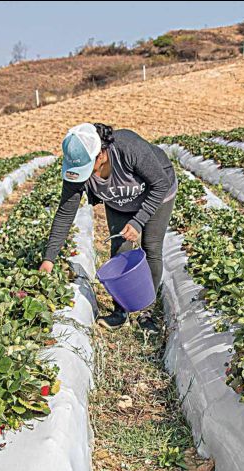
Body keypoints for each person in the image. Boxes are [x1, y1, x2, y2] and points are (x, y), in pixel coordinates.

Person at [39, 123, 178, 333]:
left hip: (157, 192)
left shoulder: (129, 148)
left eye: (87, 166)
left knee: (151, 246)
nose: (83, 174)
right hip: (119, 200)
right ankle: (120, 312)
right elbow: (65, 214)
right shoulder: (77, 176)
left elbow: (160, 183)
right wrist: (48, 259)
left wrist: (139, 221)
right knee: (120, 251)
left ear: (101, 154)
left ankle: (146, 313)